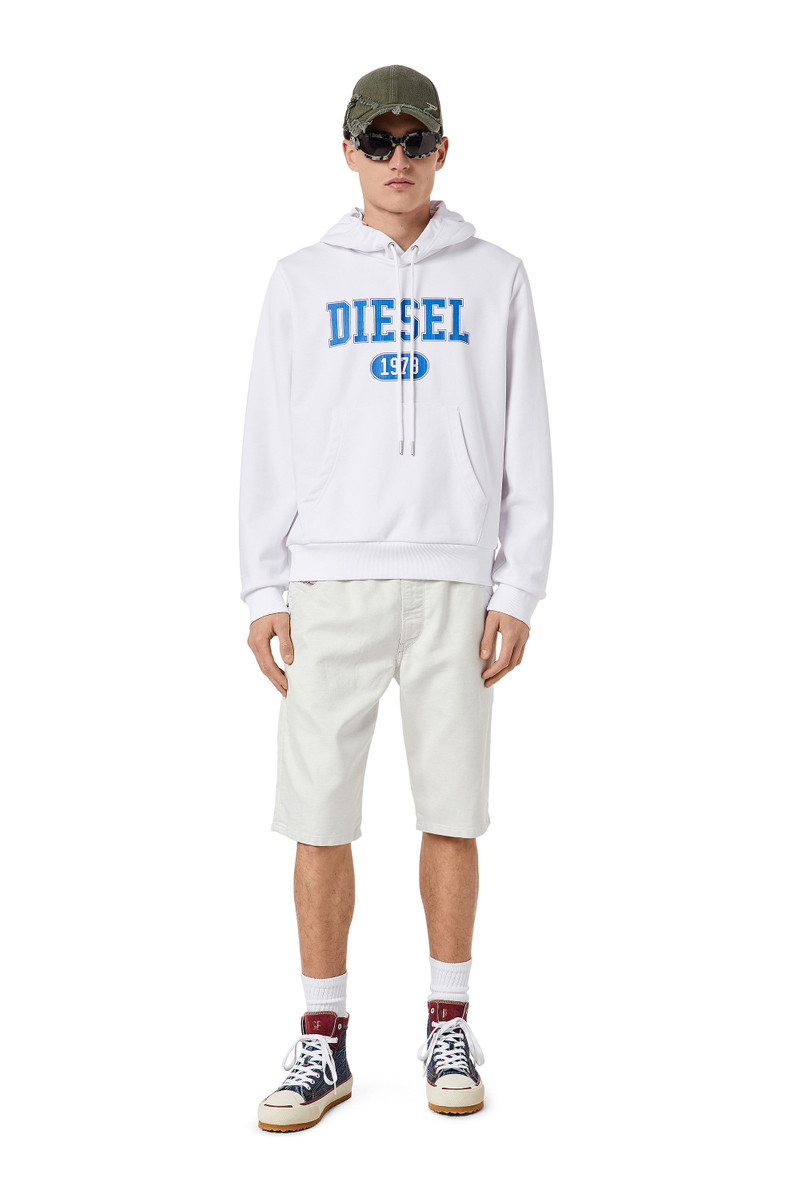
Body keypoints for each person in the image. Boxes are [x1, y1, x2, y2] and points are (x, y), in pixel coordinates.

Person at [239, 63, 554, 1131]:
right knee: (318, 814)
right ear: (347, 153)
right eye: (376, 143)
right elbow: (267, 433)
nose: (397, 160)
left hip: (455, 578)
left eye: (414, 140)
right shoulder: (300, 281)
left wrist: (518, 583)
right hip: (329, 576)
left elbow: (525, 435)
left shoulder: (496, 277)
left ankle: (447, 1024)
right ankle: (321, 1037)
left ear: (441, 150)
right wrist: (262, 583)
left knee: (451, 809)